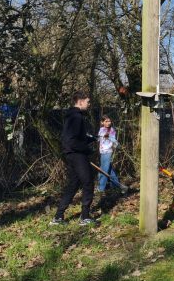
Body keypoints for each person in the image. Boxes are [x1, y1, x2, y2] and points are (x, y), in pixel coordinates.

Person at [50, 91, 98, 226]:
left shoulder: (72, 116)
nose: (89, 105)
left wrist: (91, 139)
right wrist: (87, 149)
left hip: (72, 154)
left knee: (74, 184)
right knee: (88, 182)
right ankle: (85, 217)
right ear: (80, 101)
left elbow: (75, 137)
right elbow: (71, 141)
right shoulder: (76, 117)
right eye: (88, 102)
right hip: (77, 155)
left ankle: (58, 217)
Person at [97, 115, 128, 193]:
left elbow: (114, 140)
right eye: (106, 121)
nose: (108, 123)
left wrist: (115, 143)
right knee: (109, 170)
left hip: (108, 152)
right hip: (102, 152)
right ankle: (116, 185)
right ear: (102, 122)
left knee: (104, 170)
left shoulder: (112, 130)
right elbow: (100, 138)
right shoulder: (101, 129)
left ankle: (101, 188)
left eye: (109, 121)